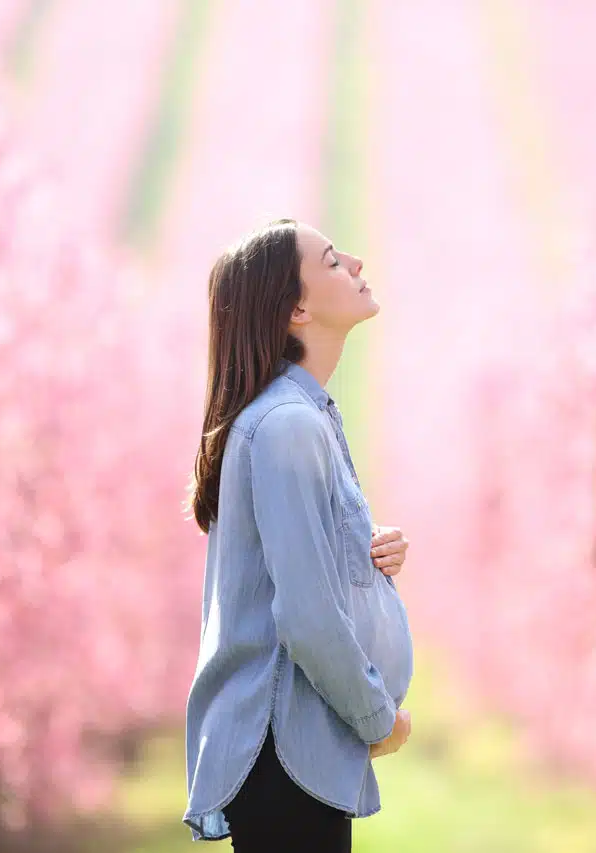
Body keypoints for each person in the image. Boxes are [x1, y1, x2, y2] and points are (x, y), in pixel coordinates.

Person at [181, 218, 415, 852]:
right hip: (283, 753)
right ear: (297, 309)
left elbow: (296, 567)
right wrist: (376, 717)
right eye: (335, 261)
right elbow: (306, 614)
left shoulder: (298, 415)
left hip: (291, 754)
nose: (359, 262)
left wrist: (364, 549)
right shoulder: (287, 425)